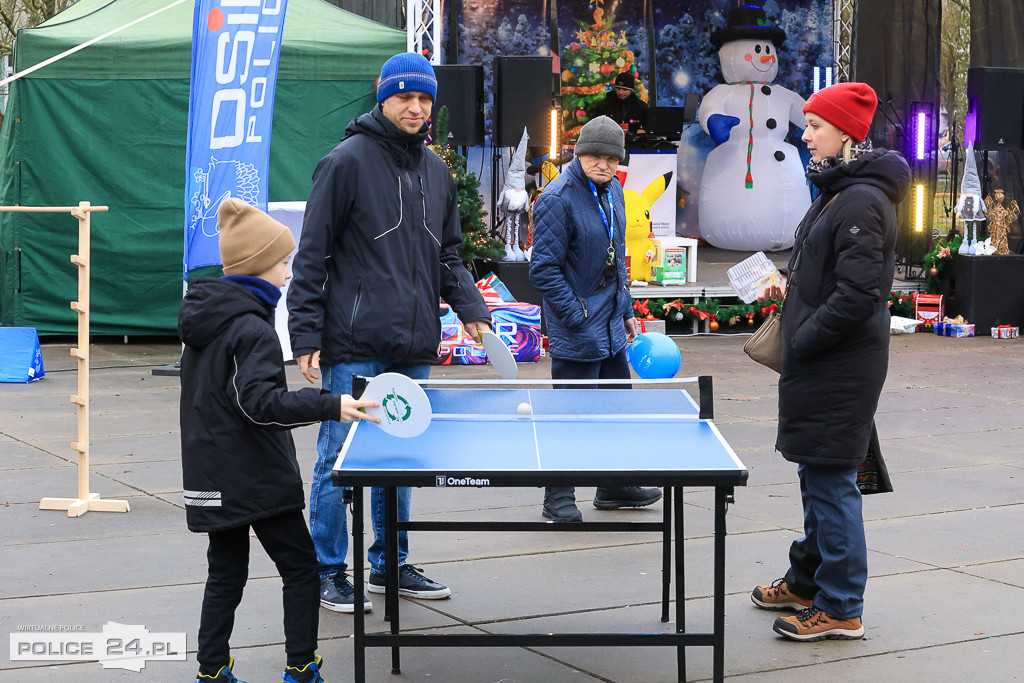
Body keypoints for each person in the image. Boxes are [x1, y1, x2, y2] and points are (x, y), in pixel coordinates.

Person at [288, 52, 492, 613]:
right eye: (406, 97)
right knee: (338, 459)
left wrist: (470, 308)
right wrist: (304, 336)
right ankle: (327, 570)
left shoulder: (439, 173)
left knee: (401, 461)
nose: (417, 107)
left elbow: (450, 256)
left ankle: (389, 564)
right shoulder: (344, 163)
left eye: (425, 98)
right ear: (383, 98)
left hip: (414, 346)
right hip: (352, 345)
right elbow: (311, 257)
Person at [180, 198, 380, 683]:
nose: (289, 274)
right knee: (301, 567)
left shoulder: (205, 323)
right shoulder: (253, 328)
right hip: (256, 476)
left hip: (209, 473)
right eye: (283, 263)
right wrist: (330, 404)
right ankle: (302, 667)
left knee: (225, 573)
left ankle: (211, 672)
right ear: (258, 266)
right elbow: (259, 405)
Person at [750, 82, 910, 641]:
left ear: (845, 133)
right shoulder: (840, 192)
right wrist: (789, 290)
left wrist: (806, 336)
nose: (806, 133)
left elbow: (858, 295)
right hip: (826, 359)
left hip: (839, 363)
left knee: (832, 481)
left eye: (816, 125)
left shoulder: (862, 199)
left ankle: (842, 606)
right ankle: (806, 581)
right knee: (816, 472)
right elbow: (830, 280)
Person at [529, 115, 663, 522]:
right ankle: (558, 498)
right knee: (570, 415)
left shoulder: (615, 191)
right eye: (594, 157)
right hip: (578, 327)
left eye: (611, 158)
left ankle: (614, 485)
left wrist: (625, 312)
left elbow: (617, 259)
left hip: (611, 324)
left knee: (616, 408)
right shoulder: (557, 197)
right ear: (578, 153)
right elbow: (543, 270)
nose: (603, 165)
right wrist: (577, 314)